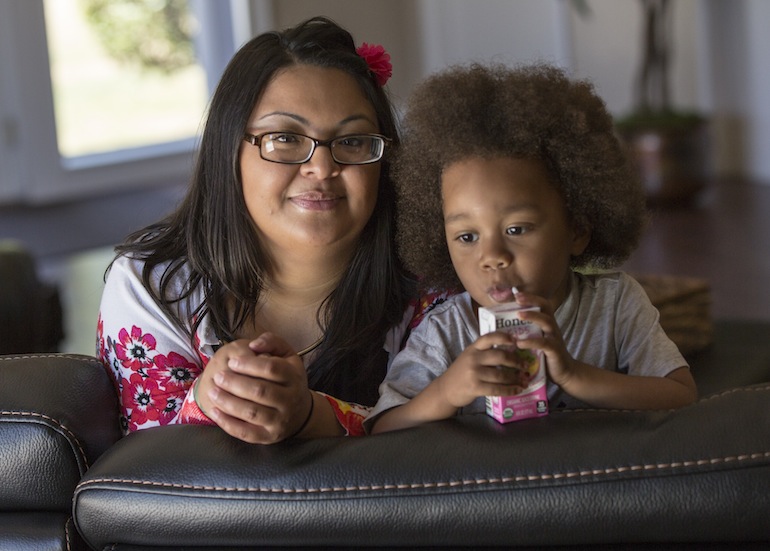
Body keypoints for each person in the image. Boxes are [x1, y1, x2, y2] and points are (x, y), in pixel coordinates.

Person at [97, 16, 445, 444]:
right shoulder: (151, 285)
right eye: (284, 138)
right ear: (229, 149)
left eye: (353, 141)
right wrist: (207, 403)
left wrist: (310, 416)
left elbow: (452, 446)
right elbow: (143, 477)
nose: (322, 168)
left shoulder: (436, 283)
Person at [367, 63, 698, 434]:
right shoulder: (445, 334)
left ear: (578, 230)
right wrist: (447, 391)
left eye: (516, 228)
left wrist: (574, 375)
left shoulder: (616, 305)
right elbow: (383, 430)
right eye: (467, 237)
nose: (492, 256)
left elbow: (680, 395)